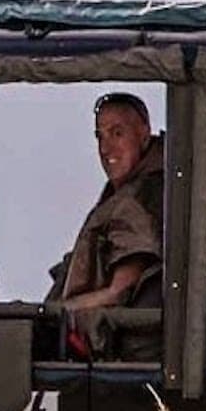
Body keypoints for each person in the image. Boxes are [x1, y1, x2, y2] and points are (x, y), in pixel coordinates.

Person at [48, 92, 165, 319]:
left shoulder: (135, 202)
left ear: (143, 134)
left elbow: (119, 292)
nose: (105, 148)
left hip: (98, 341)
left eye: (117, 134)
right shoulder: (127, 195)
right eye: (100, 137)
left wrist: (57, 313)